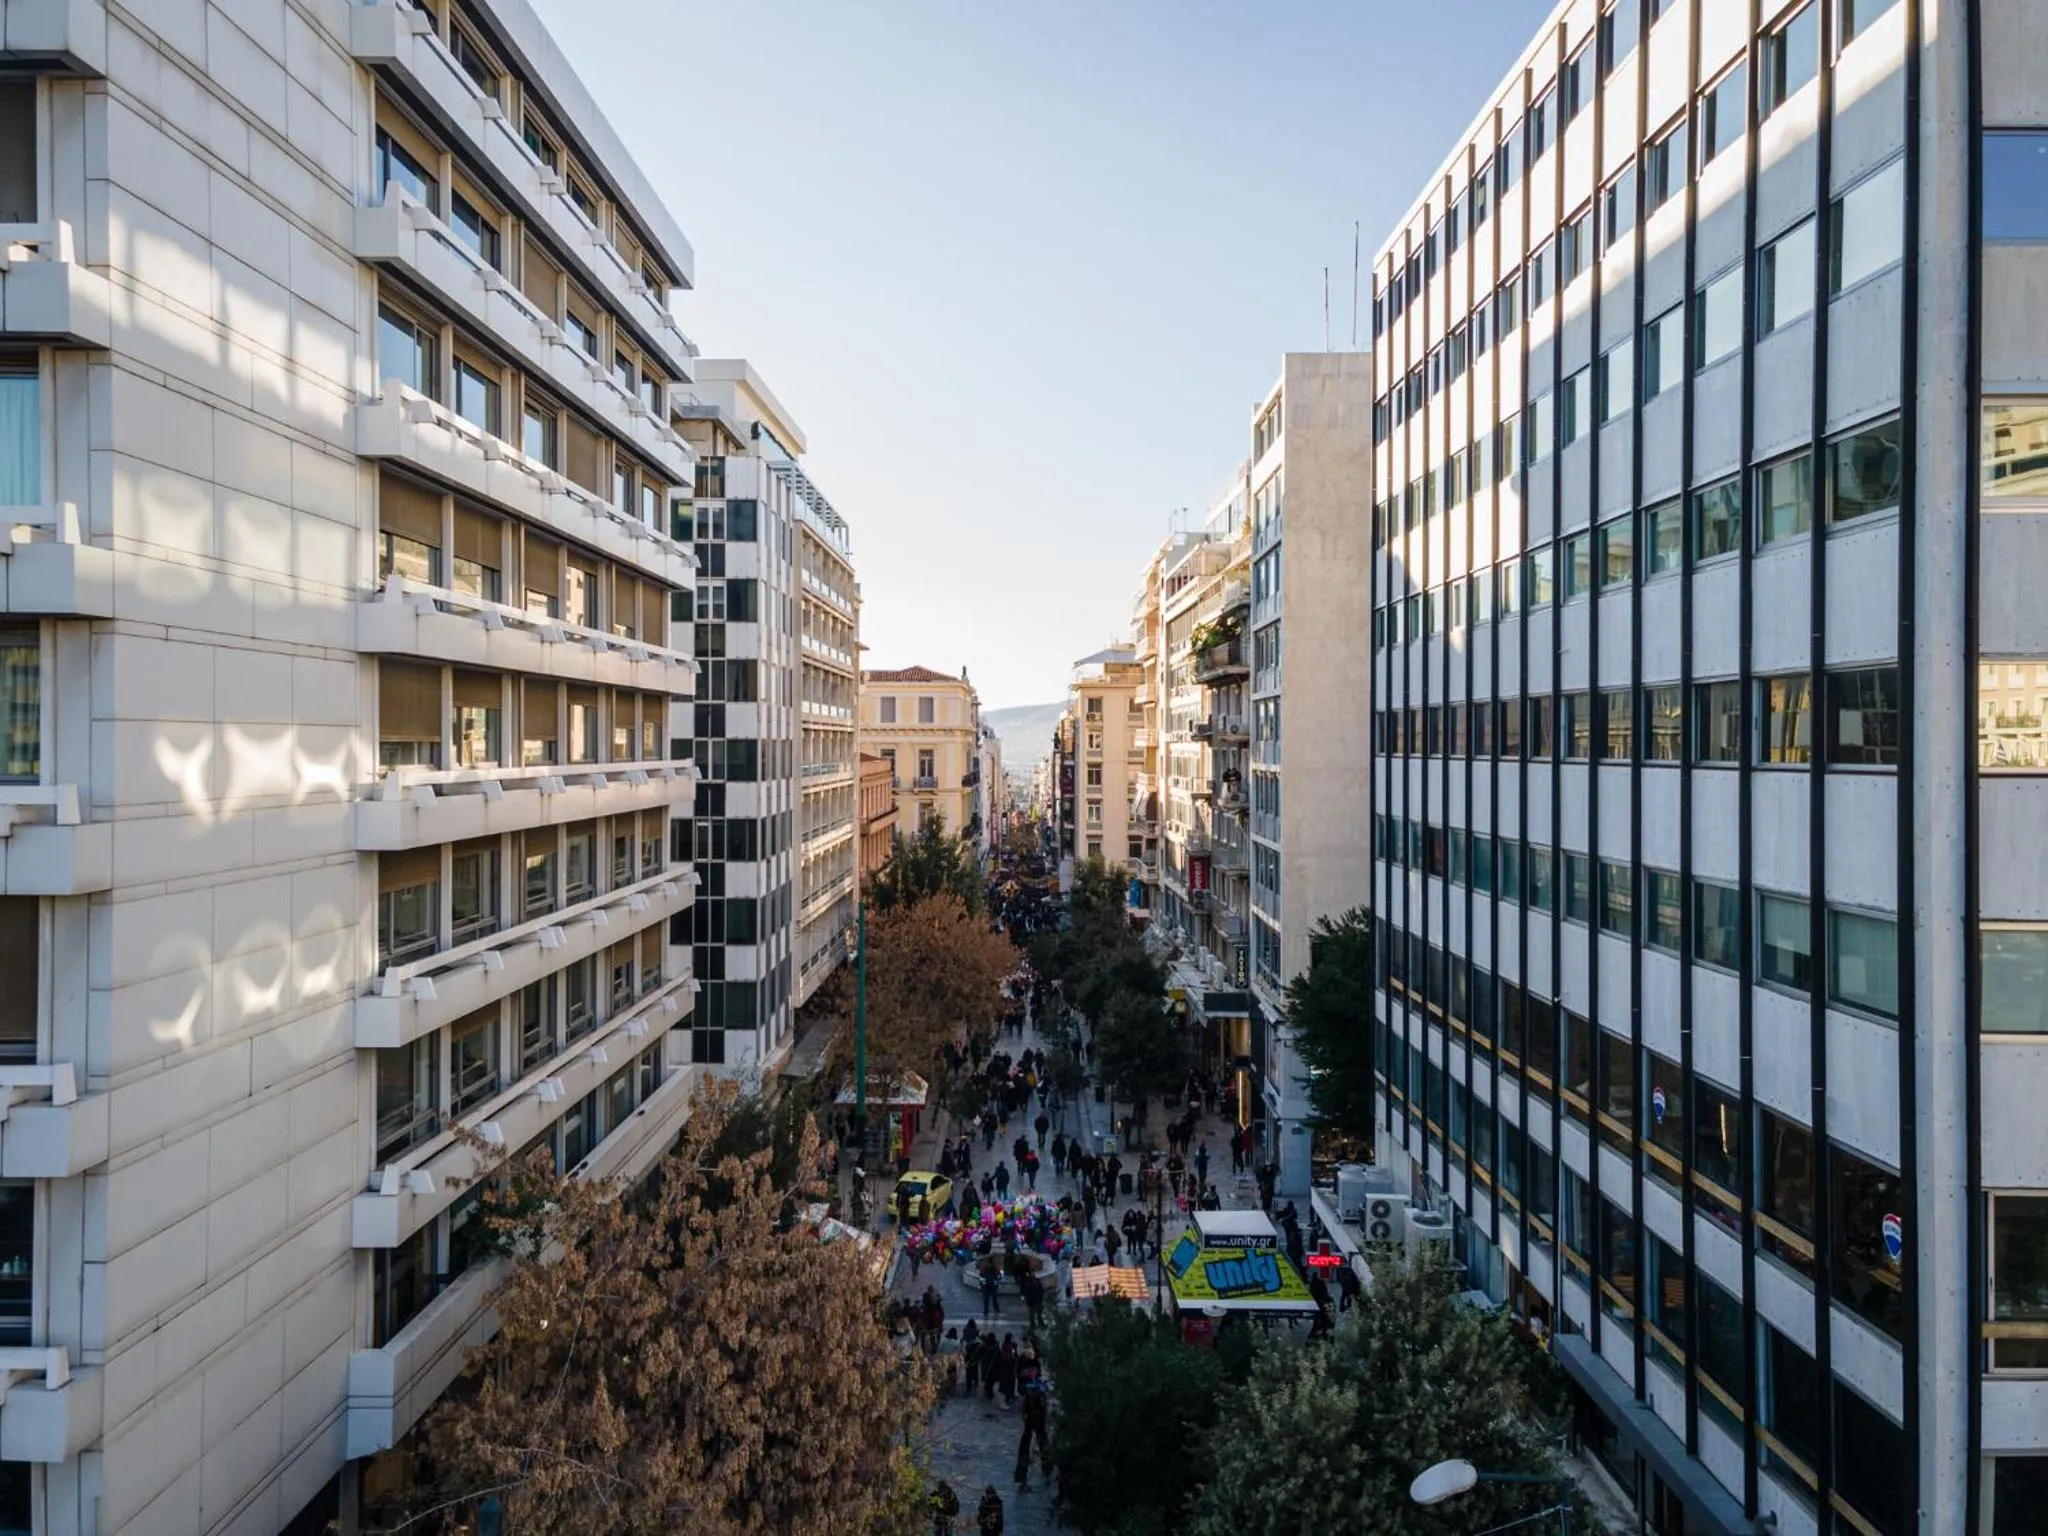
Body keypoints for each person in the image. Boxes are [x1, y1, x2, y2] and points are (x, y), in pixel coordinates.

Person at [1014, 1376, 1052, 1489]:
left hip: (1031, 1422)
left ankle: (1024, 1478)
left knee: (1027, 1448)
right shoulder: (1039, 1397)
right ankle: (1046, 1469)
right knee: (1042, 1445)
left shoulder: (1029, 1398)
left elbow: (1023, 1412)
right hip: (1036, 1422)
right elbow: (1044, 1412)